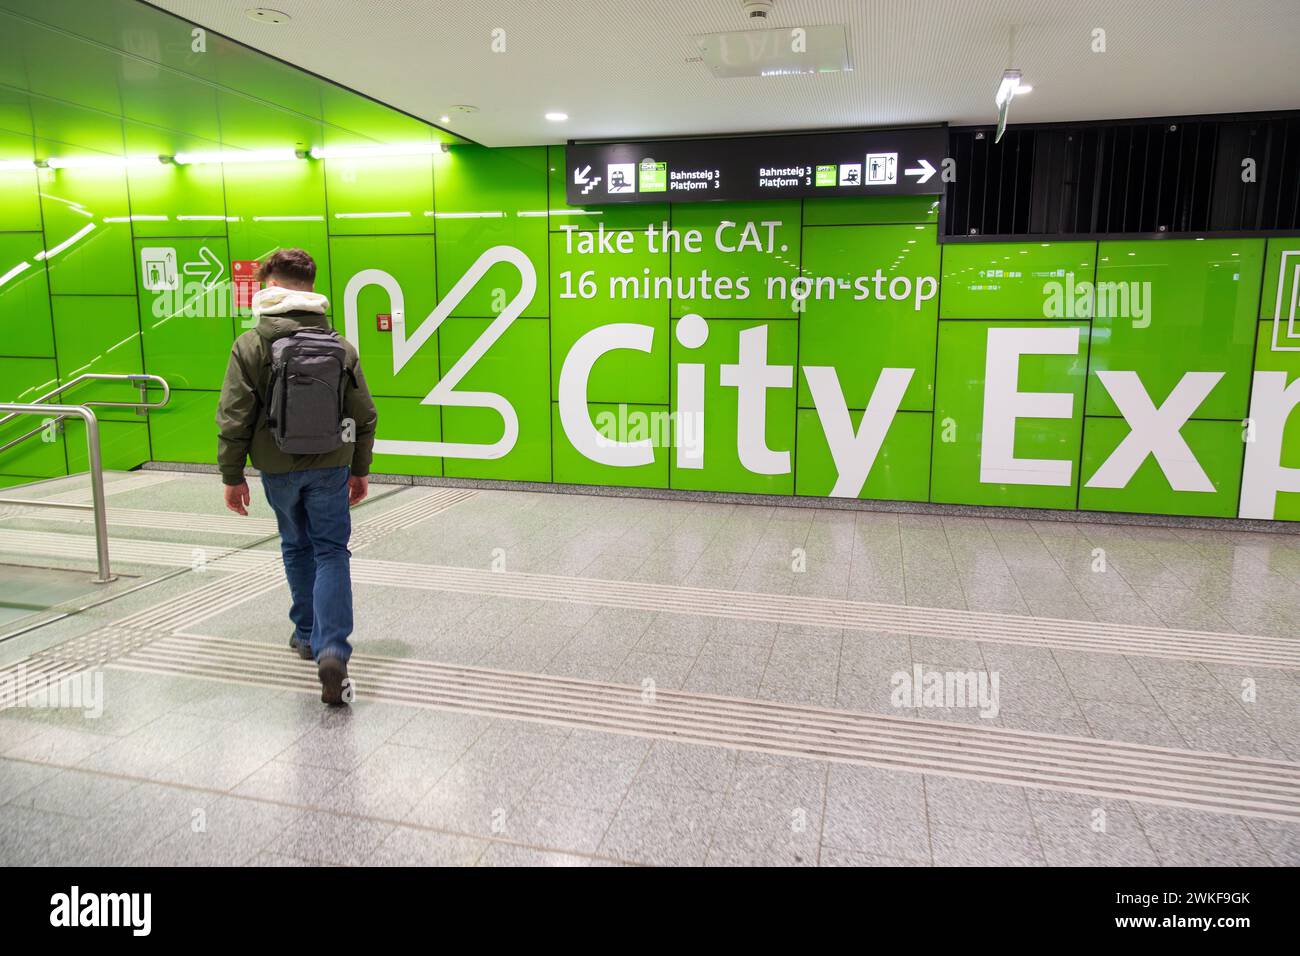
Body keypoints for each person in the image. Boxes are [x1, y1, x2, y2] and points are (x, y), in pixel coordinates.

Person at [215, 248, 377, 705]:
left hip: (277, 468)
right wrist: (360, 469)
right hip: (331, 464)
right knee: (331, 551)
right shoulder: (341, 345)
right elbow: (365, 414)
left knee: (296, 544)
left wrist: (232, 474)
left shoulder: (251, 344)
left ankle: (306, 634)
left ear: (270, 285)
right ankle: (332, 651)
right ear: (311, 287)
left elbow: (234, 417)